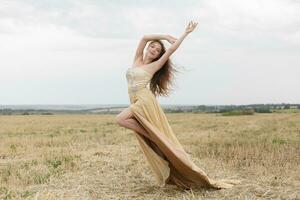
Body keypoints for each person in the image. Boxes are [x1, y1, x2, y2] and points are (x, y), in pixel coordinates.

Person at [115, 21, 240, 190]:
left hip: (144, 101)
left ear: (159, 56)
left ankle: (154, 136)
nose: (153, 50)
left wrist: (185, 33)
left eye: (157, 50)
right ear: (147, 48)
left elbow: (172, 50)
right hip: (135, 100)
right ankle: (154, 137)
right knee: (124, 121)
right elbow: (144, 37)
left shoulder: (154, 66)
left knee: (120, 119)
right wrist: (164, 36)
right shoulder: (137, 59)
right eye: (152, 47)